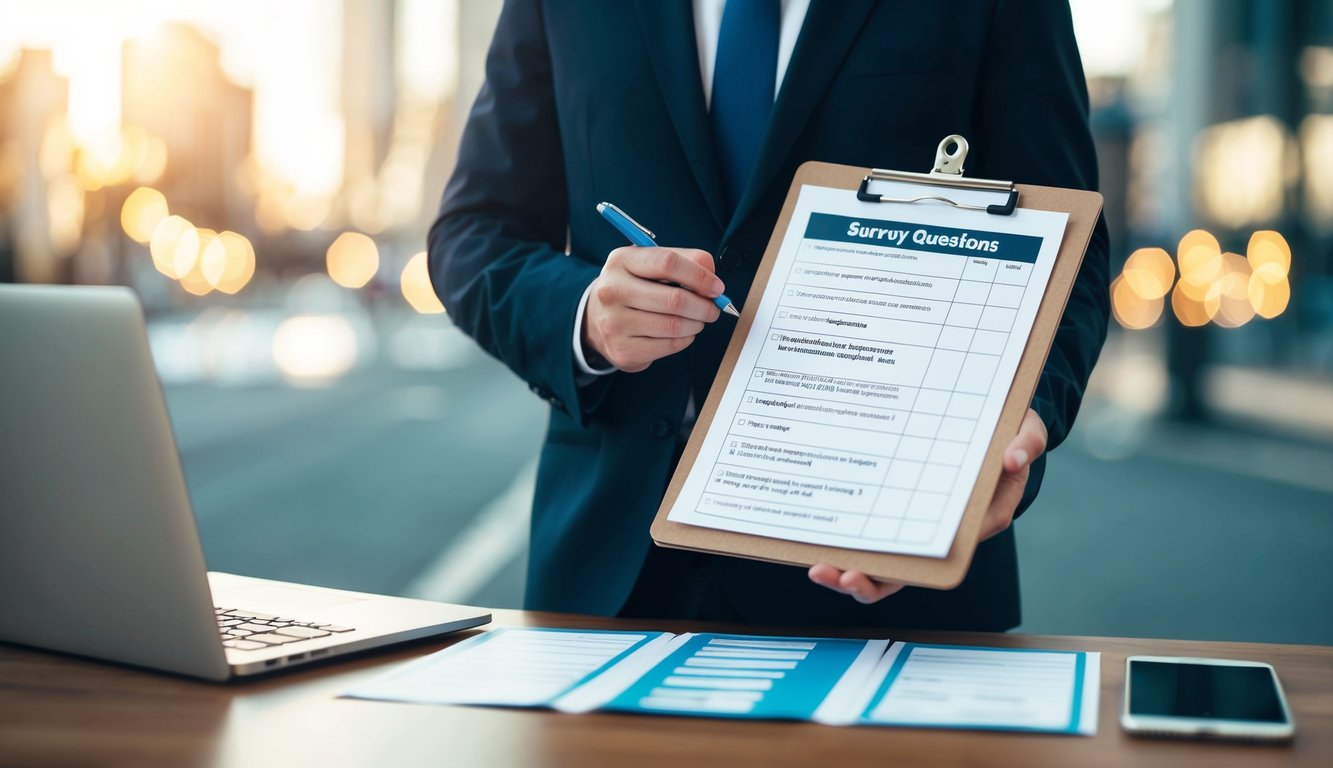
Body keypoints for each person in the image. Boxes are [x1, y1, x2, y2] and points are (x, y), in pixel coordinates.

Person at [428, 0, 1109, 631]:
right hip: (610, 575)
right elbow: (474, 234)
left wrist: (1024, 416)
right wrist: (585, 316)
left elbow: (1067, 250)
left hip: (888, 554)